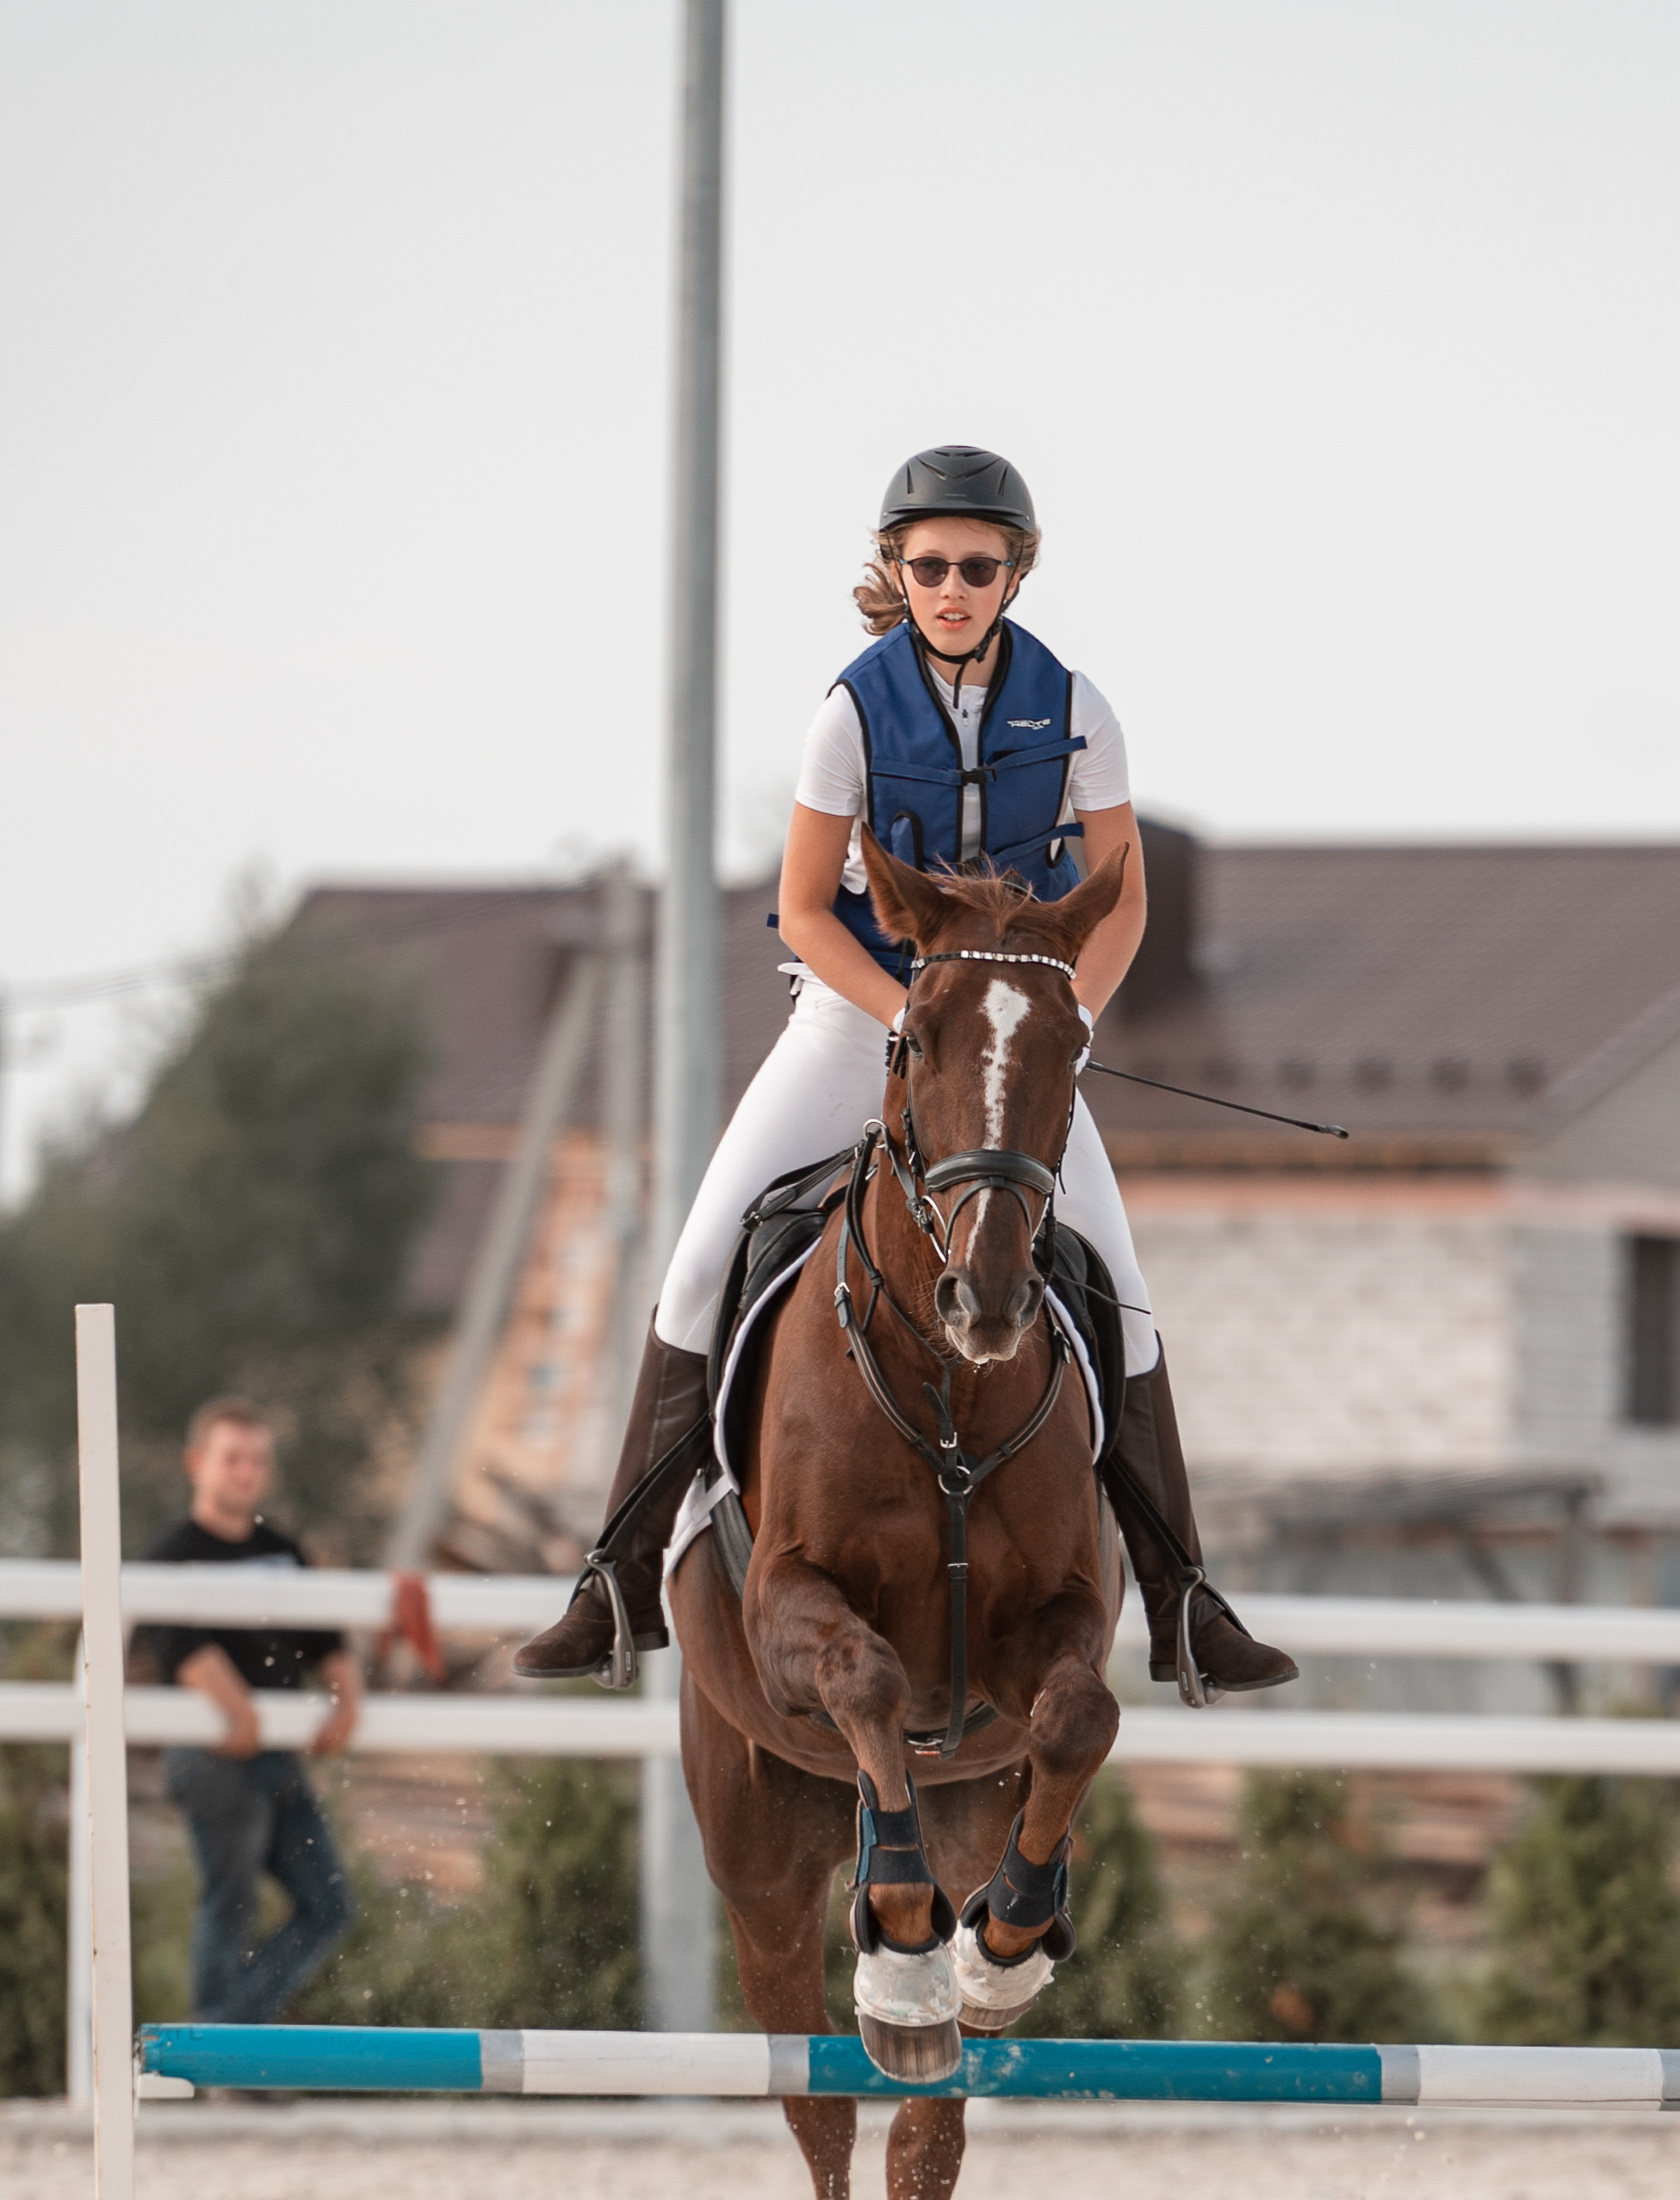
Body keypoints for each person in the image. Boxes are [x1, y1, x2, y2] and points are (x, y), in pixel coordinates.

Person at [518, 442, 1297, 1701]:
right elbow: (805, 912)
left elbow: (1125, 904)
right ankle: (609, 1581)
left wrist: (1063, 1026)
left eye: (974, 567)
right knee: (702, 1260)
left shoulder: (1080, 709)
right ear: (896, 568)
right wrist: (905, 1021)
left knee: (1123, 1291)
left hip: (1015, 1034)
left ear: (1014, 573)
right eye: (926, 565)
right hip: (854, 1018)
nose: (948, 587)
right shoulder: (851, 710)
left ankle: (1183, 1602)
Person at [137, 1397, 359, 2023]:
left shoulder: (283, 1548)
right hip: (213, 1752)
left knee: (329, 1904)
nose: (246, 1471)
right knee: (230, 1901)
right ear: (197, 1463)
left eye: (257, 1459)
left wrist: (347, 1700)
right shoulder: (171, 1551)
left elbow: (328, 1639)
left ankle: (226, 2040)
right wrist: (239, 1710)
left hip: (276, 1750)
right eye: (232, 1457)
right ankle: (222, 2061)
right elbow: (177, 1644)